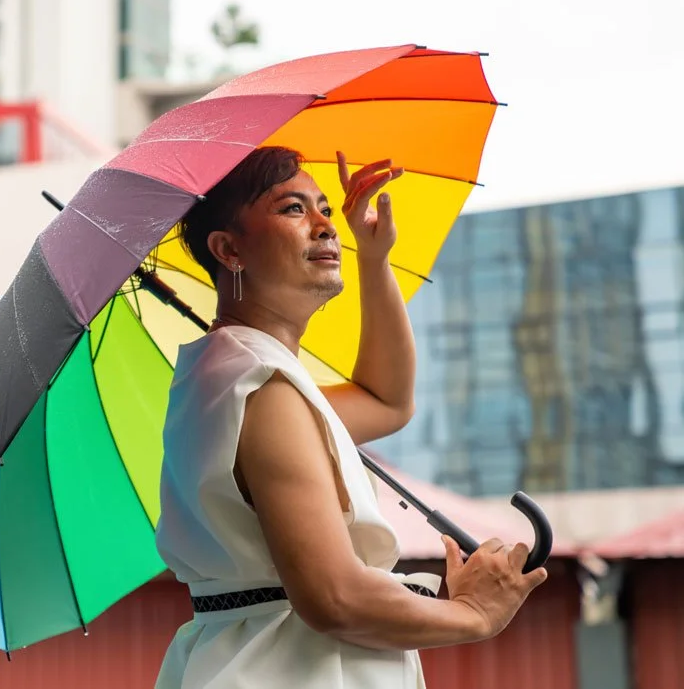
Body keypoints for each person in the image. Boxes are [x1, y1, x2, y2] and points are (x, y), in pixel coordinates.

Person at [154, 146, 547, 688]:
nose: (323, 225)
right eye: (293, 209)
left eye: (326, 210)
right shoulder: (263, 385)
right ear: (229, 249)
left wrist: (373, 255)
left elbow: (386, 400)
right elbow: (334, 599)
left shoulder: (231, 375)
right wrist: (473, 614)